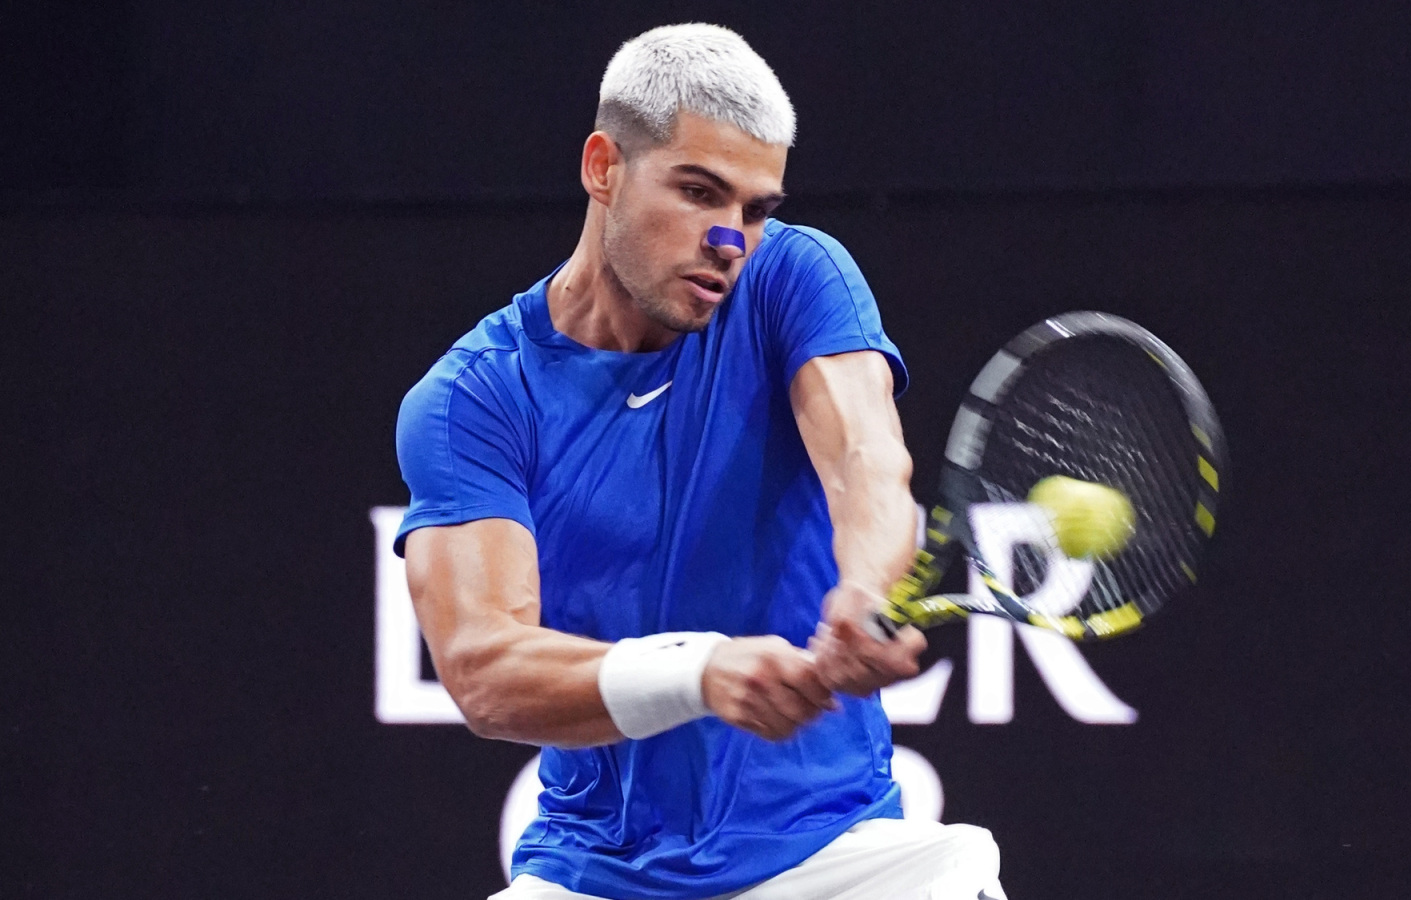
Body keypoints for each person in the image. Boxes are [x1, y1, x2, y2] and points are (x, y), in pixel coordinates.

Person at [394, 23, 1006, 900]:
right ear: (603, 167)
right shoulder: (473, 402)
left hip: (833, 861)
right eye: (699, 192)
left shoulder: (797, 278)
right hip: (594, 873)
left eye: (757, 210)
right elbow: (486, 672)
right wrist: (700, 674)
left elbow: (867, 461)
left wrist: (867, 588)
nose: (731, 240)